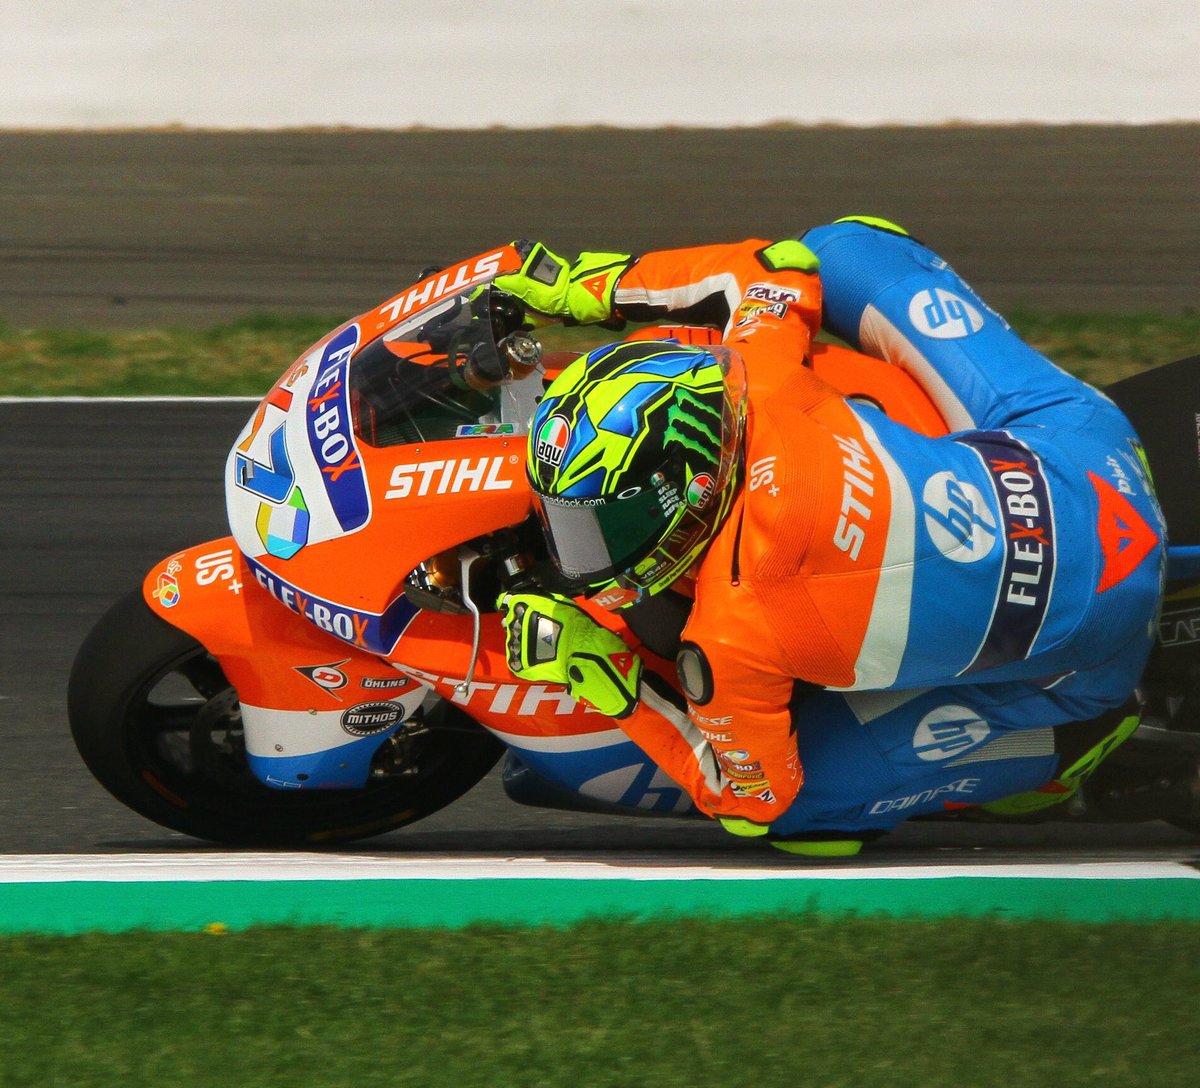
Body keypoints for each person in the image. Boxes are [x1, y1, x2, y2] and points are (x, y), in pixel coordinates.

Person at [493, 218, 1166, 854]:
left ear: (687, 487)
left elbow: (752, 798)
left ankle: (1065, 746)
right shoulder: (760, 377)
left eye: (599, 525)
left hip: (1095, 649)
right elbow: (774, 267)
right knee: (841, 244)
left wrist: (608, 677)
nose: (578, 554)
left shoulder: (734, 634)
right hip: (1085, 447)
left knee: (803, 817)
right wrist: (591, 284)